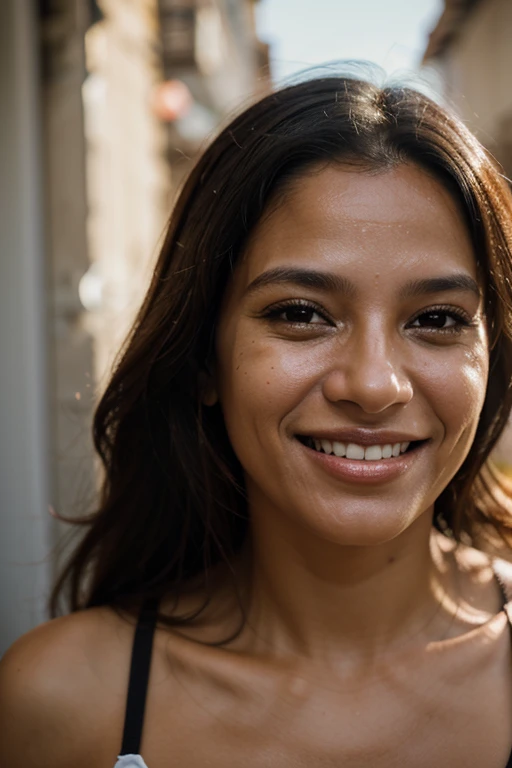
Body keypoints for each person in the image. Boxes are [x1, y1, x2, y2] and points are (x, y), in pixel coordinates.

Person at [2, 69, 512, 768]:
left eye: (436, 319)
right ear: (204, 357)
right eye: (300, 313)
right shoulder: (60, 702)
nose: (373, 384)